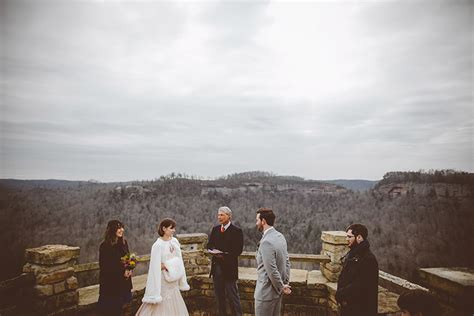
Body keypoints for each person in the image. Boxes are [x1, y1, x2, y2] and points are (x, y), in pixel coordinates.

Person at [136, 218, 190, 316]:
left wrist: (174, 268)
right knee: (163, 303)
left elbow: (179, 258)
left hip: (173, 279)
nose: (174, 230)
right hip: (163, 280)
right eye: (171, 228)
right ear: (164, 229)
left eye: (174, 228)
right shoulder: (157, 245)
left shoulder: (174, 242)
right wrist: (166, 266)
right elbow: (155, 265)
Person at [207, 206, 244, 316]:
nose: (219, 217)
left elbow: (238, 250)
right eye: (218, 215)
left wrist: (223, 254)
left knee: (233, 297)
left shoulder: (236, 231)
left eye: (222, 215)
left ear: (229, 216)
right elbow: (209, 245)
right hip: (216, 269)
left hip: (229, 269)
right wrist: (212, 251)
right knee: (219, 298)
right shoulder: (215, 229)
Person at [335, 223, 379, 316]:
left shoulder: (368, 259)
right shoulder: (353, 254)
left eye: (350, 237)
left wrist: (341, 294)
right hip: (349, 306)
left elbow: (361, 285)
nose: (347, 239)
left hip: (360, 309)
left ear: (359, 237)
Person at [254, 207, 291, 316]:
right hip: (277, 294)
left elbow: (271, 270)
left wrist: (282, 286)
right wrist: (284, 283)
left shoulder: (266, 242)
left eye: (257, 220)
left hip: (265, 294)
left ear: (263, 221)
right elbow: (287, 262)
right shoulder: (280, 236)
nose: (256, 223)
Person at [98, 220, 133, 316]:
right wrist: (123, 271)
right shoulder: (105, 246)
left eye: (122, 227)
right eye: (118, 228)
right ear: (112, 230)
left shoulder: (124, 243)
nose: (121, 230)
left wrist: (129, 268)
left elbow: (128, 258)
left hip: (125, 284)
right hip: (112, 286)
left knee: (127, 309)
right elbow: (105, 267)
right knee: (113, 311)